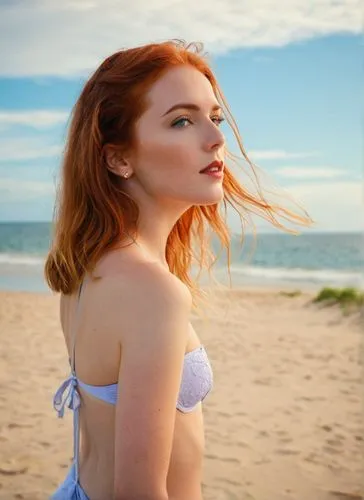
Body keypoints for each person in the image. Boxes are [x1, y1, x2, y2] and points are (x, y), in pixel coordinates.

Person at [44, 39, 312, 500]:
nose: (215, 139)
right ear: (118, 158)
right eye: (182, 121)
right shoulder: (153, 291)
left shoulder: (89, 267)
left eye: (215, 118)